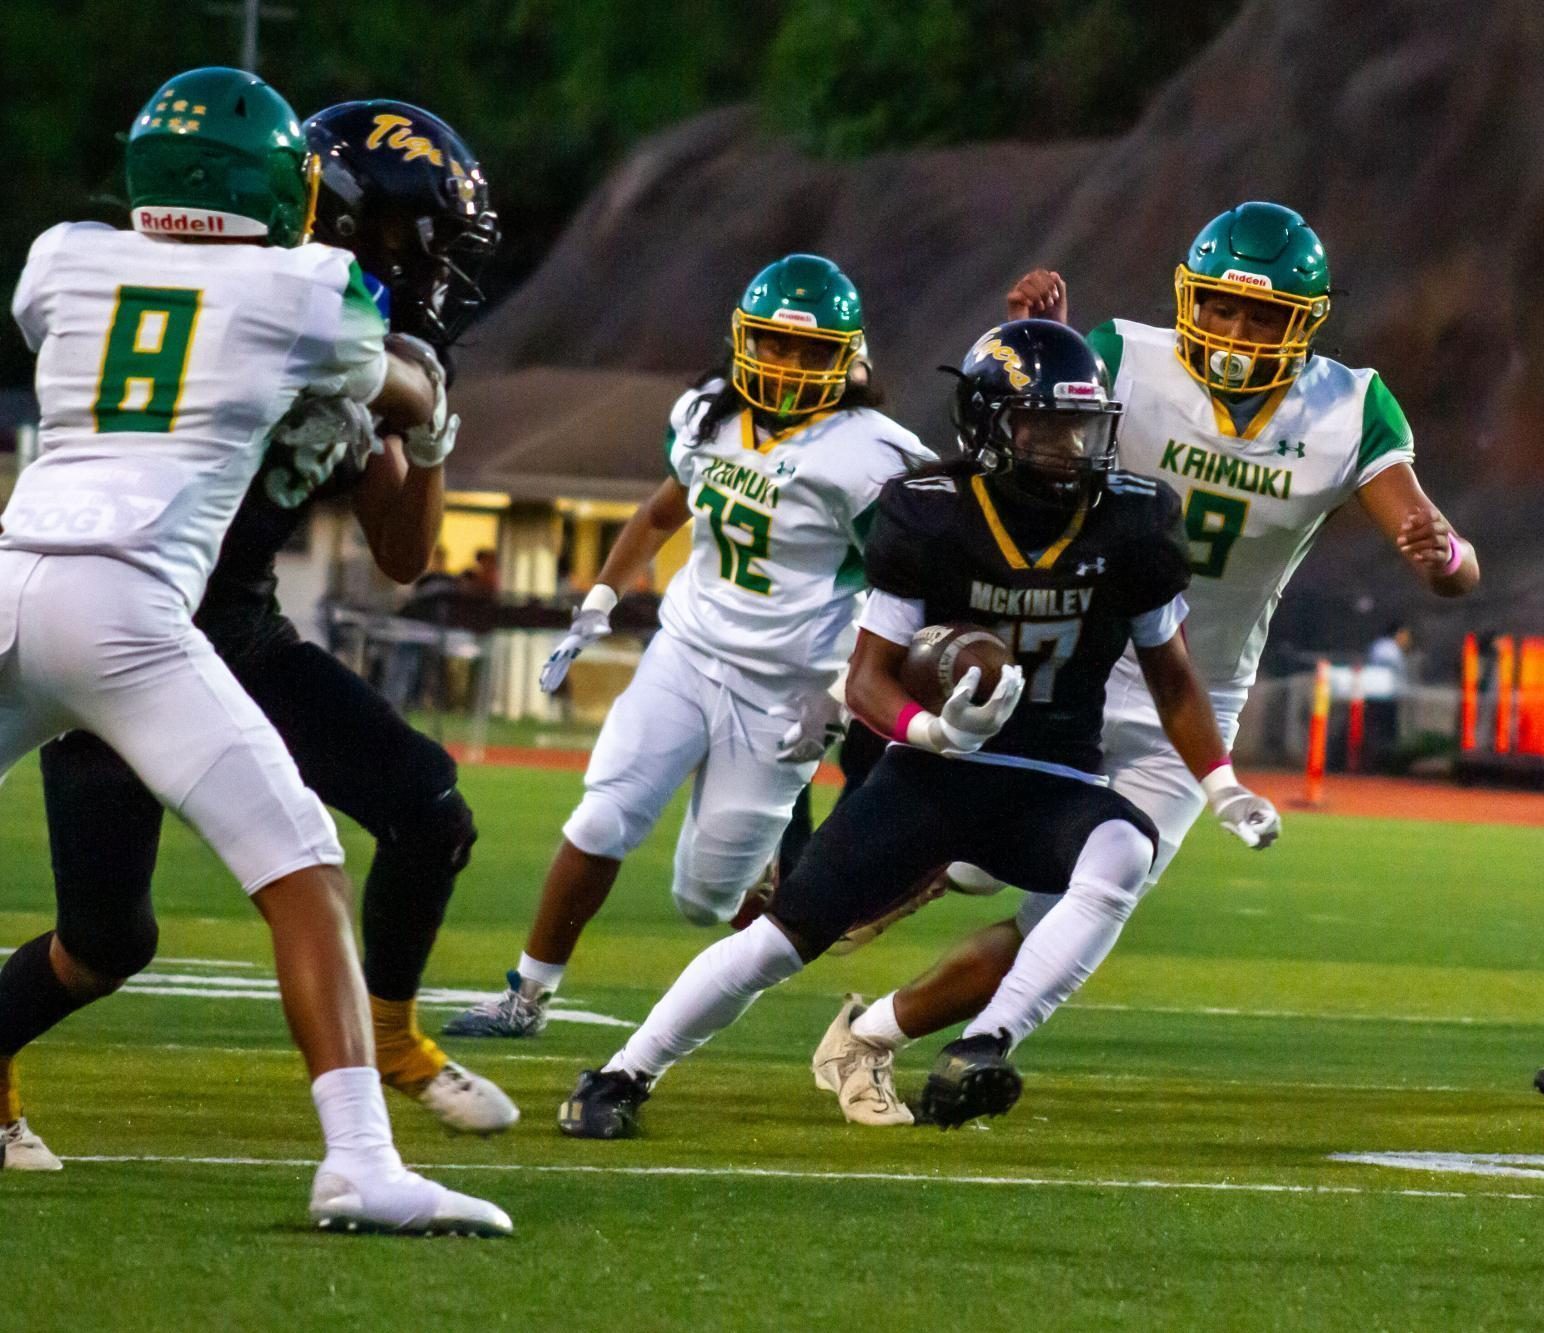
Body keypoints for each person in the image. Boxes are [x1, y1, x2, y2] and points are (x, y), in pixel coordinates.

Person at [810, 202, 1480, 1122]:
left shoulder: (1349, 406)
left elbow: (1450, 559)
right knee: (970, 838)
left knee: (1074, 911)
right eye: (1224, 308)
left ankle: (883, 1031)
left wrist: (1439, 551)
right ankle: (928, 866)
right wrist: (1024, 337)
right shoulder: (1127, 357)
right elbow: (998, 446)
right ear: (1187, 298)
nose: (1239, 333)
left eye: (1264, 316)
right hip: (1075, 664)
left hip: (1195, 691)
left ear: (1308, 322)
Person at [555, 319, 1280, 1138]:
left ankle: (983, 1045)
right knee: (779, 942)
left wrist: (1221, 785)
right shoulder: (933, 514)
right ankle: (621, 1073)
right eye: (1042, 424)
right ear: (989, 424)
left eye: (1080, 426)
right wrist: (928, 730)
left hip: (1054, 778)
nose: (1066, 446)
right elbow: (867, 676)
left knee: (1126, 848)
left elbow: (1173, 675)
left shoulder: (1134, 522)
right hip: (933, 776)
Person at [0, 68, 508, 1235]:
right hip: (140, 618)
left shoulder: (73, 255)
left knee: (416, 807)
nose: (426, 262)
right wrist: (419, 397)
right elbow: (380, 371)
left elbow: (401, 546)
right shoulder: (314, 296)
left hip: (76, 583)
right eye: (408, 236)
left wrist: (415, 429)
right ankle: (360, 1160)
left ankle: (387, 1048)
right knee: (126, 931)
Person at [444, 253, 934, 1039]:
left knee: (703, 898)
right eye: (774, 344)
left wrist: (842, 694)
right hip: (687, 651)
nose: (788, 363)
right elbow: (662, 511)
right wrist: (600, 599)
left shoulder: (873, 455)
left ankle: (793, 906)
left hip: (789, 688)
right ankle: (525, 995)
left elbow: (913, 591)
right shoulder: (709, 412)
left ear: (849, 359)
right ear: (744, 341)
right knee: (602, 817)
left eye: (809, 350)